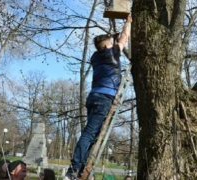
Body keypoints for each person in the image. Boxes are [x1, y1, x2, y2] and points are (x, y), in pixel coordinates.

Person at [64, 14, 132, 180]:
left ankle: (79, 170)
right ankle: (73, 170)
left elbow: (112, 42)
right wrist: (128, 22)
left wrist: (111, 38)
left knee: (92, 135)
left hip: (94, 96)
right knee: (89, 134)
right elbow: (124, 38)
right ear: (108, 45)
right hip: (104, 98)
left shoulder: (96, 56)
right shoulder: (112, 53)